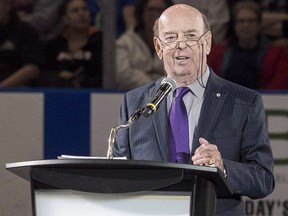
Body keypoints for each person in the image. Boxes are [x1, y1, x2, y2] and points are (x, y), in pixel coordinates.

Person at [113, 4, 275, 215]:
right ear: (159, 47)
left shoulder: (244, 102)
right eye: (170, 37)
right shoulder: (134, 103)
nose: (181, 45)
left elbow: (263, 179)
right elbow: (119, 177)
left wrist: (222, 168)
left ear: (207, 43)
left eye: (190, 36)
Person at [208, 0, 288, 89]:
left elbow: (278, 85)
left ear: (259, 24)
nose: (246, 25)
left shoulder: (277, 54)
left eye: (251, 21)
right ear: (235, 25)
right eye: (241, 21)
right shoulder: (217, 53)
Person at [38, 0, 102, 88]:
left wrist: (80, 82)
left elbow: (105, 75)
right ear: (65, 18)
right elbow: (43, 74)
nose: (81, 13)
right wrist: (58, 76)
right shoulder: (54, 45)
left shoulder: (101, 42)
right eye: (75, 11)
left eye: (85, 9)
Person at [116, 0, 173, 90]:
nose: (155, 14)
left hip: (171, 95)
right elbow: (123, 74)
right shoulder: (125, 42)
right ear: (141, 13)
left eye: (160, 10)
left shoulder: (178, 43)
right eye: (150, 9)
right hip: (133, 96)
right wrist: (154, 86)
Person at [0, 0, 43, 87]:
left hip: (17, 93)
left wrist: (2, 88)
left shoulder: (26, 32)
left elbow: (32, 69)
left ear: (7, 5)